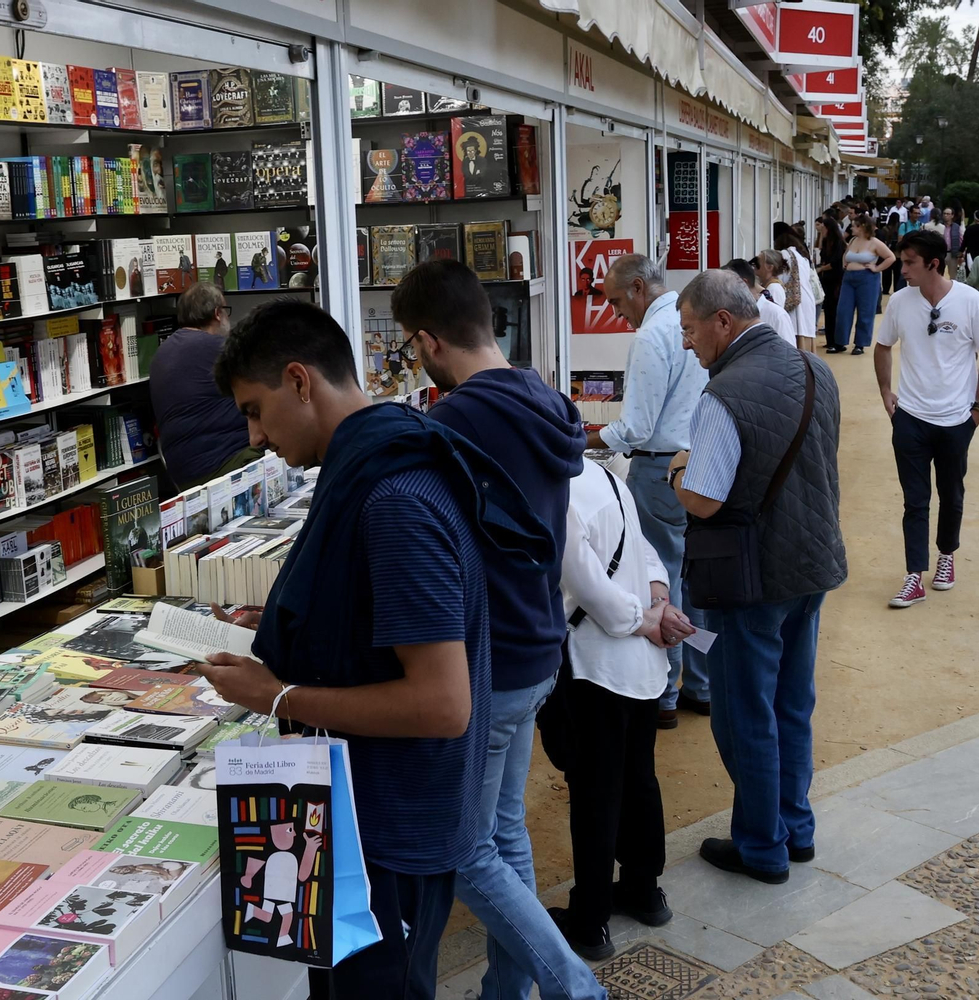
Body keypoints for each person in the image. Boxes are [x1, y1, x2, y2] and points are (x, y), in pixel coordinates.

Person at [200, 299, 555, 1000]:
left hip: (392, 833)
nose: (254, 435)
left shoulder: (393, 498)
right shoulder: (374, 464)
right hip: (373, 814)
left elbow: (442, 704)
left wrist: (279, 696)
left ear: (299, 380)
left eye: (255, 410)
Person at [390, 260, 604, 997]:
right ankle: (507, 994)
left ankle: (574, 987)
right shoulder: (540, 396)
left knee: (465, 850)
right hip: (538, 644)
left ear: (428, 340)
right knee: (502, 831)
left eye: (411, 345)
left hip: (491, 661)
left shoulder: (457, 423)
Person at [669, 269, 847, 883]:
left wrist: (677, 471)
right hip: (812, 562)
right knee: (792, 704)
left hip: (750, 577)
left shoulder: (724, 394)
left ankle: (762, 847)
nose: (686, 342)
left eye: (690, 329)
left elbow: (704, 500)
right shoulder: (815, 369)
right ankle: (796, 830)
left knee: (745, 714)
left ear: (723, 321)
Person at [545, 460, 692, 958]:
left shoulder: (558, 490)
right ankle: (644, 890)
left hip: (598, 666)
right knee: (637, 779)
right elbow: (645, 550)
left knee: (597, 792)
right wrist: (658, 601)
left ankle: (590, 920)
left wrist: (645, 619)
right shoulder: (605, 474)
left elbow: (588, 586)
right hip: (641, 666)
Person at [587, 254, 710, 725]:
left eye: (617, 301)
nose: (617, 312)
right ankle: (701, 684)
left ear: (639, 288)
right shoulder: (693, 322)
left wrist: (580, 439)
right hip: (702, 465)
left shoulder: (650, 336)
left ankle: (663, 693)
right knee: (697, 580)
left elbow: (635, 429)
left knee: (660, 581)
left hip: (659, 472)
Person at [874, 229, 979, 608]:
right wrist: (885, 391)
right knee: (915, 500)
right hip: (910, 418)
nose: (902, 269)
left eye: (909, 263)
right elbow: (882, 346)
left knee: (951, 493)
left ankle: (947, 555)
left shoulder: (971, 302)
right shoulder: (900, 301)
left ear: (933, 263)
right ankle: (914, 576)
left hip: (957, 420)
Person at [148, 281, 257, 489]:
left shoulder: (160, 354)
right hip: (228, 464)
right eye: (226, 311)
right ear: (218, 314)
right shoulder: (217, 347)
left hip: (182, 476)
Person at [830, 216, 895, 356]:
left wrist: (877, 268)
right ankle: (840, 342)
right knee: (843, 310)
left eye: (854, 226)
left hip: (867, 278)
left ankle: (860, 343)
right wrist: (844, 263)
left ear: (863, 227)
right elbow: (846, 254)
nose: (851, 228)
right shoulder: (853, 240)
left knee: (865, 311)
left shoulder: (875, 243)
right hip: (849, 278)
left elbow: (891, 257)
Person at [727, 258, 796, 347]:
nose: (724, 292)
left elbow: (789, 352)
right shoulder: (731, 315)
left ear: (743, 284)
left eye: (727, 286)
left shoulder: (777, 315)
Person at [775, 224, 819, 353]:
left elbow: (780, 279)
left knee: (795, 342)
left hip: (795, 303)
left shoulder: (784, 255)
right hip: (806, 300)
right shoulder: (801, 254)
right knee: (806, 342)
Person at [816, 216, 845, 349]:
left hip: (836, 278)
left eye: (823, 227)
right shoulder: (827, 241)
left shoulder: (838, 243)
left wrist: (822, 268)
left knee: (833, 310)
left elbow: (835, 262)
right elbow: (821, 252)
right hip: (827, 279)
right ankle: (830, 340)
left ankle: (836, 341)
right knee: (828, 309)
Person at [943, 206, 965, 279]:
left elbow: (961, 240)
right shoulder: (941, 226)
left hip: (952, 254)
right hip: (942, 253)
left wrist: (961, 254)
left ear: (952, 215)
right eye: (944, 213)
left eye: (948, 214)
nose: (945, 215)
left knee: (953, 275)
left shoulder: (956, 227)